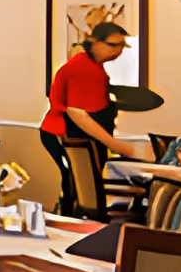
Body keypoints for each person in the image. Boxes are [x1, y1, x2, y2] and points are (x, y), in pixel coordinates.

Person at [39, 20, 151, 207]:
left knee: (74, 185)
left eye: (122, 46)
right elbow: (78, 115)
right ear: (95, 42)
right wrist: (119, 146)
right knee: (77, 186)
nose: (118, 51)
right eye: (113, 45)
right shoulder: (85, 69)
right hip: (67, 134)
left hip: (63, 133)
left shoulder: (92, 66)